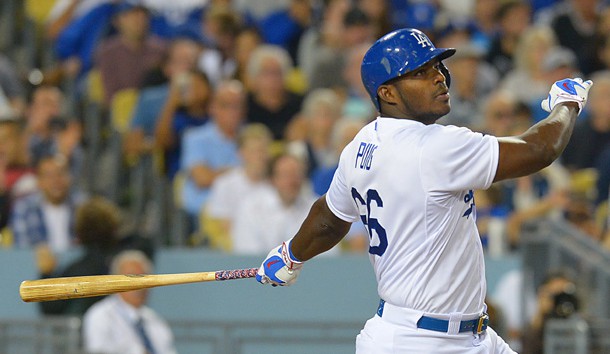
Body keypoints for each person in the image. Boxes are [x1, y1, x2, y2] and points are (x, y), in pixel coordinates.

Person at [254, 27, 593, 353]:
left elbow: (329, 218)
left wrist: (291, 254)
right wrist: (567, 102)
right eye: (420, 72)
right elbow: (539, 149)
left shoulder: (361, 145)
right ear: (387, 93)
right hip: (422, 341)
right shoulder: (433, 146)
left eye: (437, 66)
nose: (439, 77)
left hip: (457, 335)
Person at [82, 249, 176, 354]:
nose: (138, 286)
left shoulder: (154, 319)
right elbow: (97, 351)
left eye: (143, 279)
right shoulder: (100, 315)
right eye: (131, 279)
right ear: (115, 281)